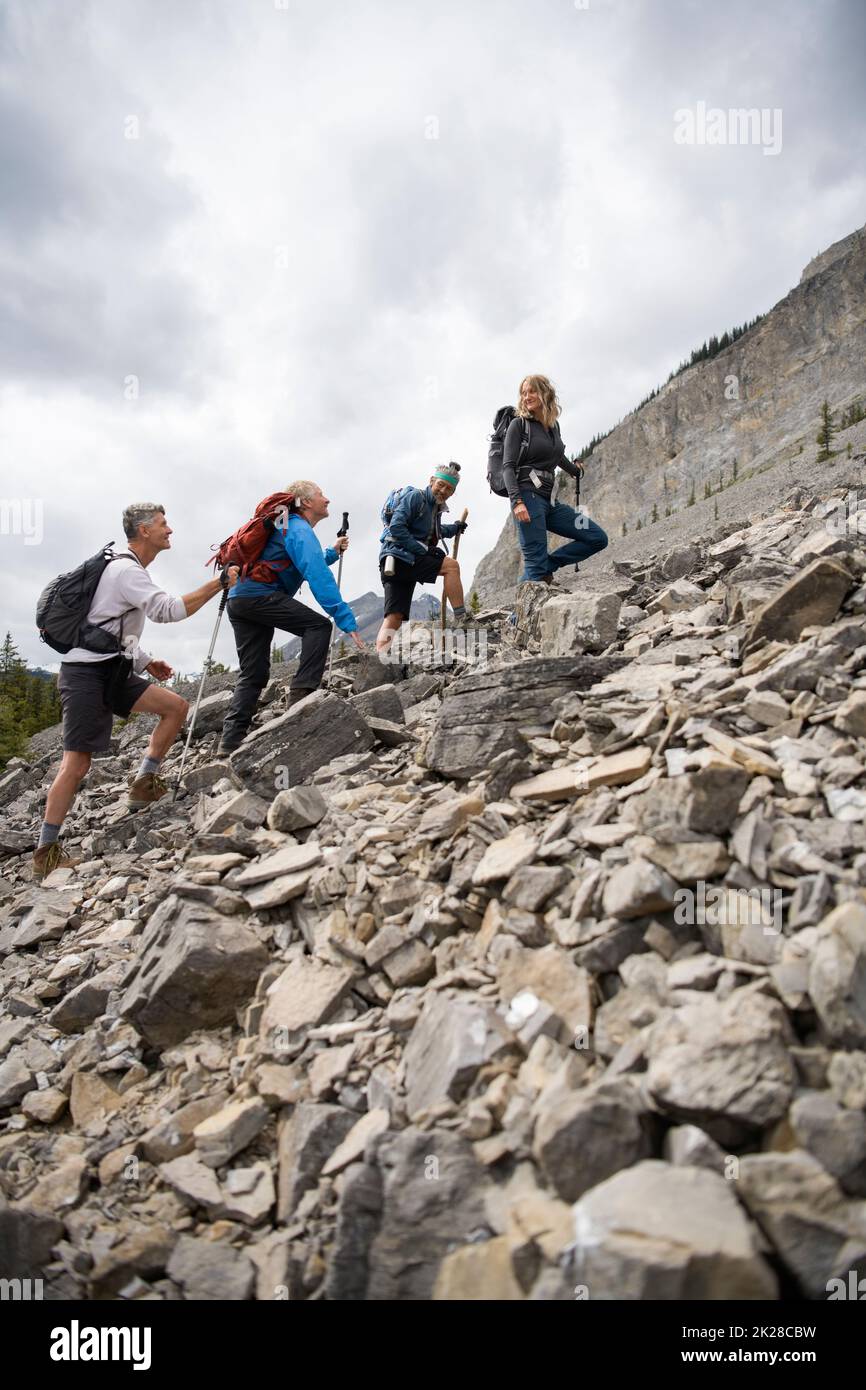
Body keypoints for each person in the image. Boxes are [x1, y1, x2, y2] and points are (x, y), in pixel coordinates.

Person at [33, 504, 238, 880]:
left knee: (175, 706)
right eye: (163, 524)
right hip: (85, 675)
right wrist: (218, 583)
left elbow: (109, 625)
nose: (170, 530)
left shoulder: (126, 569)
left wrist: (145, 661)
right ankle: (45, 852)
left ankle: (143, 784)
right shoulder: (126, 569)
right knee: (76, 765)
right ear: (143, 531)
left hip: (113, 668)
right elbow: (168, 611)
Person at [218, 480, 364, 754]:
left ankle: (230, 740)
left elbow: (299, 560)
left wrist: (331, 553)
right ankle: (300, 702)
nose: (327, 500)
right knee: (319, 626)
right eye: (322, 495)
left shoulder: (285, 525)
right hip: (259, 595)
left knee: (254, 672)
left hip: (239, 600)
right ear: (307, 502)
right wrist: (344, 617)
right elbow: (316, 573)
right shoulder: (297, 526)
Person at [504, 375, 608, 584]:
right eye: (523, 393)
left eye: (531, 391)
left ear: (545, 393)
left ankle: (547, 565)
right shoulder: (519, 425)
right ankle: (517, 617)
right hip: (527, 497)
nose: (526, 397)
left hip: (549, 501)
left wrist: (574, 470)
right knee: (535, 564)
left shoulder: (553, 427)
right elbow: (508, 467)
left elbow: (557, 455)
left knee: (597, 538)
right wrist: (517, 502)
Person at [375, 463, 468, 656]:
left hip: (393, 560)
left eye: (449, 489)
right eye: (441, 485)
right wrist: (422, 550)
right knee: (451, 567)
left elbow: (434, 532)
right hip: (401, 557)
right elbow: (396, 527)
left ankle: (380, 659)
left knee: (395, 615)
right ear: (432, 481)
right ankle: (462, 618)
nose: (443, 490)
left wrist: (455, 528)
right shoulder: (416, 497)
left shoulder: (434, 507)